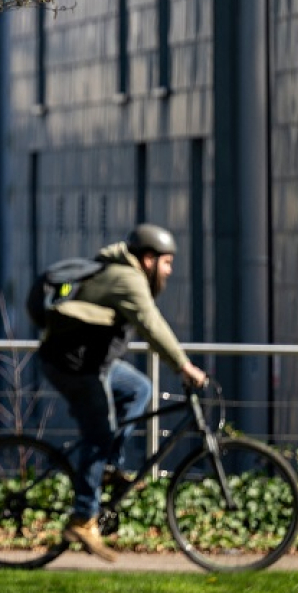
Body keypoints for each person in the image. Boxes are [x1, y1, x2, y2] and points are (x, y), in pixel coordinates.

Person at [35, 223, 208, 562]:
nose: (170, 271)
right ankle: (84, 518)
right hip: (74, 366)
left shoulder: (124, 272)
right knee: (98, 435)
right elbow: (151, 323)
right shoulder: (128, 279)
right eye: (167, 263)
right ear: (148, 259)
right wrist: (184, 366)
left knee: (139, 389)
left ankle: (110, 465)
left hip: (92, 362)